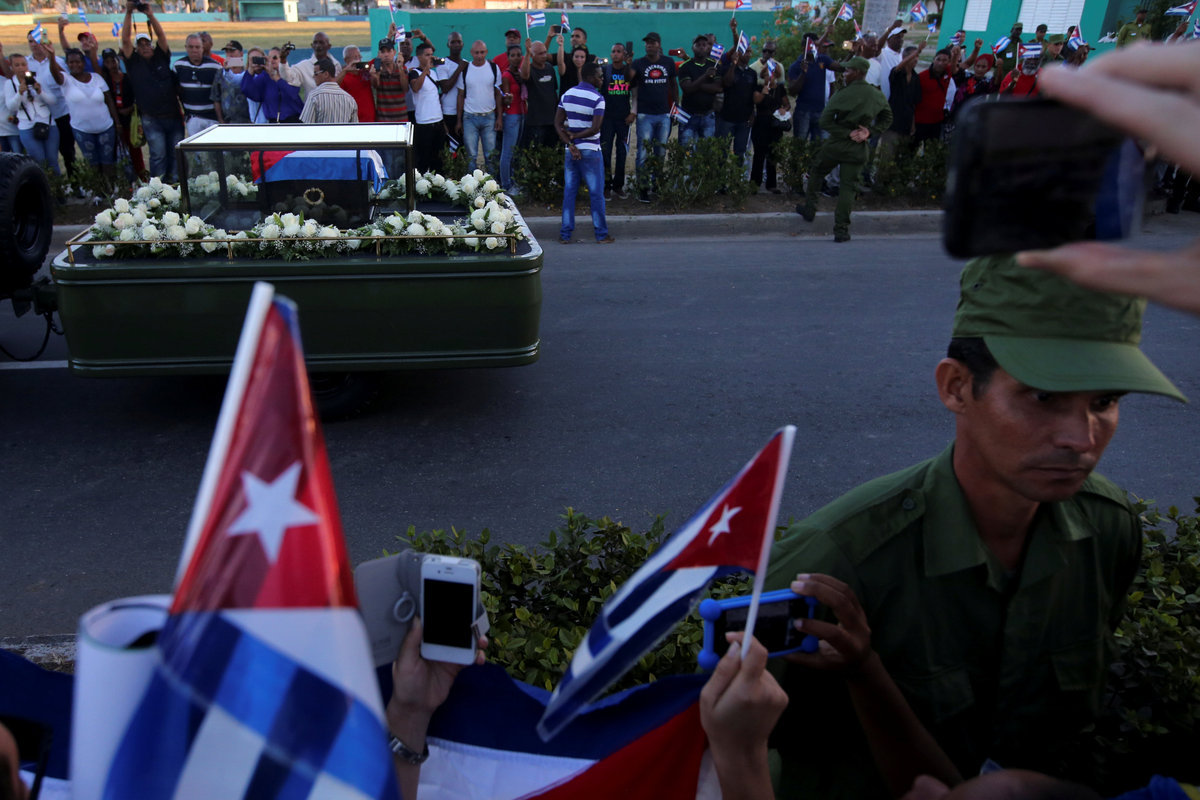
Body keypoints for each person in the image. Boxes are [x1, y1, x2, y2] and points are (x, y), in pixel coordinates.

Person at [766, 254, 1186, 797]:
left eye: (1104, 401)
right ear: (957, 387)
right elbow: (745, 748)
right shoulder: (837, 560)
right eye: (1043, 397)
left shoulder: (1107, 532)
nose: (1082, 439)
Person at [1017, 44, 1200, 316]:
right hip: (1078, 202)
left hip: (1099, 202)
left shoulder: (1113, 124)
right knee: (1066, 247)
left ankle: (1072, 293)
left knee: (1086, 248)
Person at [796, 56, 891, 242]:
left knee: (817, 171)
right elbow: (887, 117)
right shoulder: (875, 94)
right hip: (858, 147)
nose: (845, 73)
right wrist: (869, 132)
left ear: (858, 73)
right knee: (848, 188)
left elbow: (825, 121)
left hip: (837, 144)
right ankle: (841, 230)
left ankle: (810, 209)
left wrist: (845, 133)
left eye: (848, 71)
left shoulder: (842, 94)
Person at [120, 4, 181, 181]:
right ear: (136, 48)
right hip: (151, 119)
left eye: (148, 43)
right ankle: (157, 191)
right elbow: (125, 41)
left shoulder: (162, 57)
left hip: (173, 116)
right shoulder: (134, 63)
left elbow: (161, 36)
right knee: (158, 156)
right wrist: (128, 12)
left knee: (175, 156)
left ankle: (176, 188)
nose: (145, 47)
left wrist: (151, 16)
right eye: (141, 44)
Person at [555, 61, 612, 245]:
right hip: (591, 151)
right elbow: (595, 128)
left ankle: (565, 234)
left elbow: (557, 123)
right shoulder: (598, 99)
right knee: (596, 194)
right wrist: (578, 137)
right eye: (600, 76)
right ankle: (601, 234)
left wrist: (571, 142)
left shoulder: (567, 94)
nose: (602, 79)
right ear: (591, 77)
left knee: (569, 193)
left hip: (571, 152)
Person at [49, 46, 119, 178]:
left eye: (77, 61)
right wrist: (51, 56)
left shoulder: (96, 78)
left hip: (106, 127)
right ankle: (98, 192)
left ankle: (111, 191)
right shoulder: (66, 80)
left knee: (108, 161)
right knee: (93, 163)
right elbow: (55, 73)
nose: (74, 64)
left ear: (83, 63)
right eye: (71, 62)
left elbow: (109, 100)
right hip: (82, 130)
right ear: (67, 64)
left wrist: (117, 123)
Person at [628, 31, 677, 203]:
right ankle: (642, 187)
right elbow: (628, 80)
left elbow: (673, 84)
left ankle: (657, 184)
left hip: (664, 114)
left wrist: (676, 106)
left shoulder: (668, 62)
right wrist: (629, 66)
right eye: (647, 42)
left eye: (653, 42)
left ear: (659, 44)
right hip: (645, 115)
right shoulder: (639, 63)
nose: (649, 45)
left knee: (660, 151)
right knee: (643, 152)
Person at [25, 26, 75, 179]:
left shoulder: (57, 61)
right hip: (38, 117)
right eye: (30, 41)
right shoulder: (26, 63)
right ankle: (51, 186)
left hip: (60, 114)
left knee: (68, 152)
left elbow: (66, 81)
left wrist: (51, 57)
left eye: (37, 41)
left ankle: (75, 183)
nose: (34, 44)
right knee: (44, 157)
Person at [4, 54, 60, 175]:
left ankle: (59, 187)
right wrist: (19, 93)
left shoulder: (37, 79)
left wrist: (40, 91)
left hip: (47, 122)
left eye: (23, 64)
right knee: (38, 160)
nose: (21, 68)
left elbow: (53, 100)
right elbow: (11, 107)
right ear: (12, 67)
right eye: (17, 65)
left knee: (52, 159)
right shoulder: (10, 84)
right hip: (27, 126)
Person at [457, 40, 503, 175]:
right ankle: (471, 188)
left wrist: (499, 117)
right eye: (476, 52)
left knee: (491, 156)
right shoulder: (465, 70)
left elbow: (498, 94)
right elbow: (460, 95)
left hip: (489, 117)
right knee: (471, 157)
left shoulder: (493, 68)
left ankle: (493, 187)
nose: (479, 55)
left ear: (486, 52)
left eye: (482, 52)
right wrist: (459, 120)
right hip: (469, 117)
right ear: (471, 53)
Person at [749, 43, 787, 193]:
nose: (770, 77)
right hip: (761, 122)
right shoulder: (759, 88)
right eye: (767, 74)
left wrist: (784, 109)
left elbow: (786, 103)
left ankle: (772, 184)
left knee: (774, 153)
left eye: (773, 74)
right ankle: (755, 184)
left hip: (775, 124)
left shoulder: (780, 88)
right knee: (759, 153)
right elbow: (756, 100)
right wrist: (765, 91)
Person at [99, 46, 143, 175]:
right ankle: (124, 181)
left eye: (113, 61)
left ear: (118, 61)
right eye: (107, 62)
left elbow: (137, 96)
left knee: (135, 151)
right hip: (112, 122)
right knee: (117, 153)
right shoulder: (104, 81)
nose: (111, 65)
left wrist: (130, 108)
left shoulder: (127, 78)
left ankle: (142, 179)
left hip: (130, 121)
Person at [789, 32, 838, 140]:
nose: (814, 48)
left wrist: (853, 54)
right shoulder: (796, 66)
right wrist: (803, 73)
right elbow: (792, 91)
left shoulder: (822, 60)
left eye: (816, 45)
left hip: (820, 111)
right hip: (803, 112)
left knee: (820, 147)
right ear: (804, 47)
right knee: (799, 146)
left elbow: (840, 67)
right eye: (812, 45)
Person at [716, 39, 757, 171]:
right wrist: (733, 64)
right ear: (739, 53)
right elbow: (727, 83)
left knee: (740, 152)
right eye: (746, 52)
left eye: (750, 52)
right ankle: (720, 183)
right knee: (722, 151)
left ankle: (735, 182)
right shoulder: (727, 69)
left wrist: (752, 114)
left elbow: (753, 95)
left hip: (744, 120)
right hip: (726, 118)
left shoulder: (752, 73)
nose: (749, 55)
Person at [599, 42, 632, 197]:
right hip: (607, 119)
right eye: (613, 51)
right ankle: (606, 185)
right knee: (605, 152)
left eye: (619, 51)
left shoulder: (629, 71)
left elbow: (636, 91)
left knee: (622, 152)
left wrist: (633, 113)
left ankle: (618, 185)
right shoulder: (605, 71)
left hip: (624, 119)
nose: (616, 54)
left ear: (624, 54)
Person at [676, 34, 720, 147]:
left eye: (704, 45)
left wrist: (696, 84)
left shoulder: (714, 65)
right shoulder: (685, 66)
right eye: (698, 45)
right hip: (688, 115)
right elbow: (687, 89)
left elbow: (718, 88)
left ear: (708, 48)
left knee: (706, 153)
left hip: (708, 115)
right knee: (686, 152)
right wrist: (705, 77)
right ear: (693, 48)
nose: (701, 47)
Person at [241, 47, 303, 124]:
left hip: (293, 120)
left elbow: (293, 93)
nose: (272, 60)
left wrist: (276, 78)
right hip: (273, 122)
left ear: (281, 59)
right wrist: (250, 70)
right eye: (269, 58)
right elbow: (249, 92)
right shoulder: (264, 77)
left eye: (275, 58)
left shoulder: (289, 74)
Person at [175, 33, 221, 137]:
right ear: (186, 48)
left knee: (214, 151)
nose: (194, 50)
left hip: (212, 118)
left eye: (197, 47)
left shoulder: (215, 66)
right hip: (193, 118)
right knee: (198, 152)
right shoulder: (179, 66)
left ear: (202, 48)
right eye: (191, 47)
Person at [408, 42, 443, 172]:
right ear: (419, 57)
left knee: (438, 159)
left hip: (437, 121)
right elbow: (416, 88)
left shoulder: (434, 74)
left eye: (431, 55)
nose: (430, 57)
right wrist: (425, 70)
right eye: (427, 55)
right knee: (423, 159)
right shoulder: (414, 73)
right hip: (423, 122)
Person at [519, 40, 559, 148]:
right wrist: (527, 53)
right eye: (540, 53)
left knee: (550, 152)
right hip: (535, 122)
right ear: (532, 55)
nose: (544, 56)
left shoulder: (550, 68)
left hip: (551, 121)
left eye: (545, 52)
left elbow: (554, 91)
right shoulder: (530, 69)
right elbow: (524, 75)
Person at [300, 56, 357, 124]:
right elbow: (354, 127)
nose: (313, 76)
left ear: (326, 74)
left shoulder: (314, 96)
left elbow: (307, 125)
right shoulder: (350, 99)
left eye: (316, 73)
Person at [498, 43, 524, 192]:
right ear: (508, 57)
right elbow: (505, 98)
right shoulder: (506, 75)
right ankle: (506, 185)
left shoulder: (521, 72)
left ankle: (514, 182)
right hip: (512, 116)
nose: (516, 58)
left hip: (522, 114)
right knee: (507, 152)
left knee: (516, 152)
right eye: (512, 55)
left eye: (518, 55)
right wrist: (507, 99)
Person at [912, 47, 952, 143]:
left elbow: (966, 64)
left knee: (931, 151)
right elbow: (912, 102)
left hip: (937, 123)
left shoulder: (948, 74)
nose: (940, 63)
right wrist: (912, 124)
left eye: (944, 60)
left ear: (948, 63)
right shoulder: (921, 77)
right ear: (933, 59)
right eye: (938, 59)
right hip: (920, 122)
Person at [211, 40, 251, 125]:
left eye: (232, 51)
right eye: (227, 51)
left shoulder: (248, 73)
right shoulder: (220, 73)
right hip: (228, 121)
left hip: (247, 120)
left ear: (241, 53)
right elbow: (216, 98)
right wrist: (221, 120)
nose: (229, 54)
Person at [435, 32, 466, 137]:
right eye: (453, 42)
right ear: (448, 44)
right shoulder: (442, 63)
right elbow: (445, 88)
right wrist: (459, 69)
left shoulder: (467, 63)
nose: (456, 44)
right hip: (448, 112)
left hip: (465, 112)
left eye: (459, 42)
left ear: (463, 44)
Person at [371, 39, 408, 124]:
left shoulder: (402, 68)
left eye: (389, 51)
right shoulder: (377, 70)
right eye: (383, 52)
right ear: (379, 54)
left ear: (394, 52)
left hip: (401, 118)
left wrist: (400, 68)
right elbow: (375, 85)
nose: (386, 55)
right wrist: (376, 76)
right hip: (383, 120)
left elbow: (405, 88)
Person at [294, 31, 340, 98]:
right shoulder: (304, 66)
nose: (318, 46)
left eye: (321, 42)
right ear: (312, 46)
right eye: (315, 43)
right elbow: (289, 77)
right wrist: (283, 61)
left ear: (329, 46)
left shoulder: (336, 65)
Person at [337, 45, 374, 123]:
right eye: (355, 57)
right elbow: (334, 85)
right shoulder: (344, 76)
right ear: (346, 60)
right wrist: (346, 70)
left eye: (359, 57)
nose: (358, 60)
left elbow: (379, 58)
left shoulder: (365, 72)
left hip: (371, 120)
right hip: (354, 121)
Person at [877, 23, 907, 100]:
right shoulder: (882, 53)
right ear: (888, 40)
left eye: (901, 37)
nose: (900, 40)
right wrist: (890, 29)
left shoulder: (904, 54)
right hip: (884, 98)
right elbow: (878, 47)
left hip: (898, 99)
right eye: (897, 37)